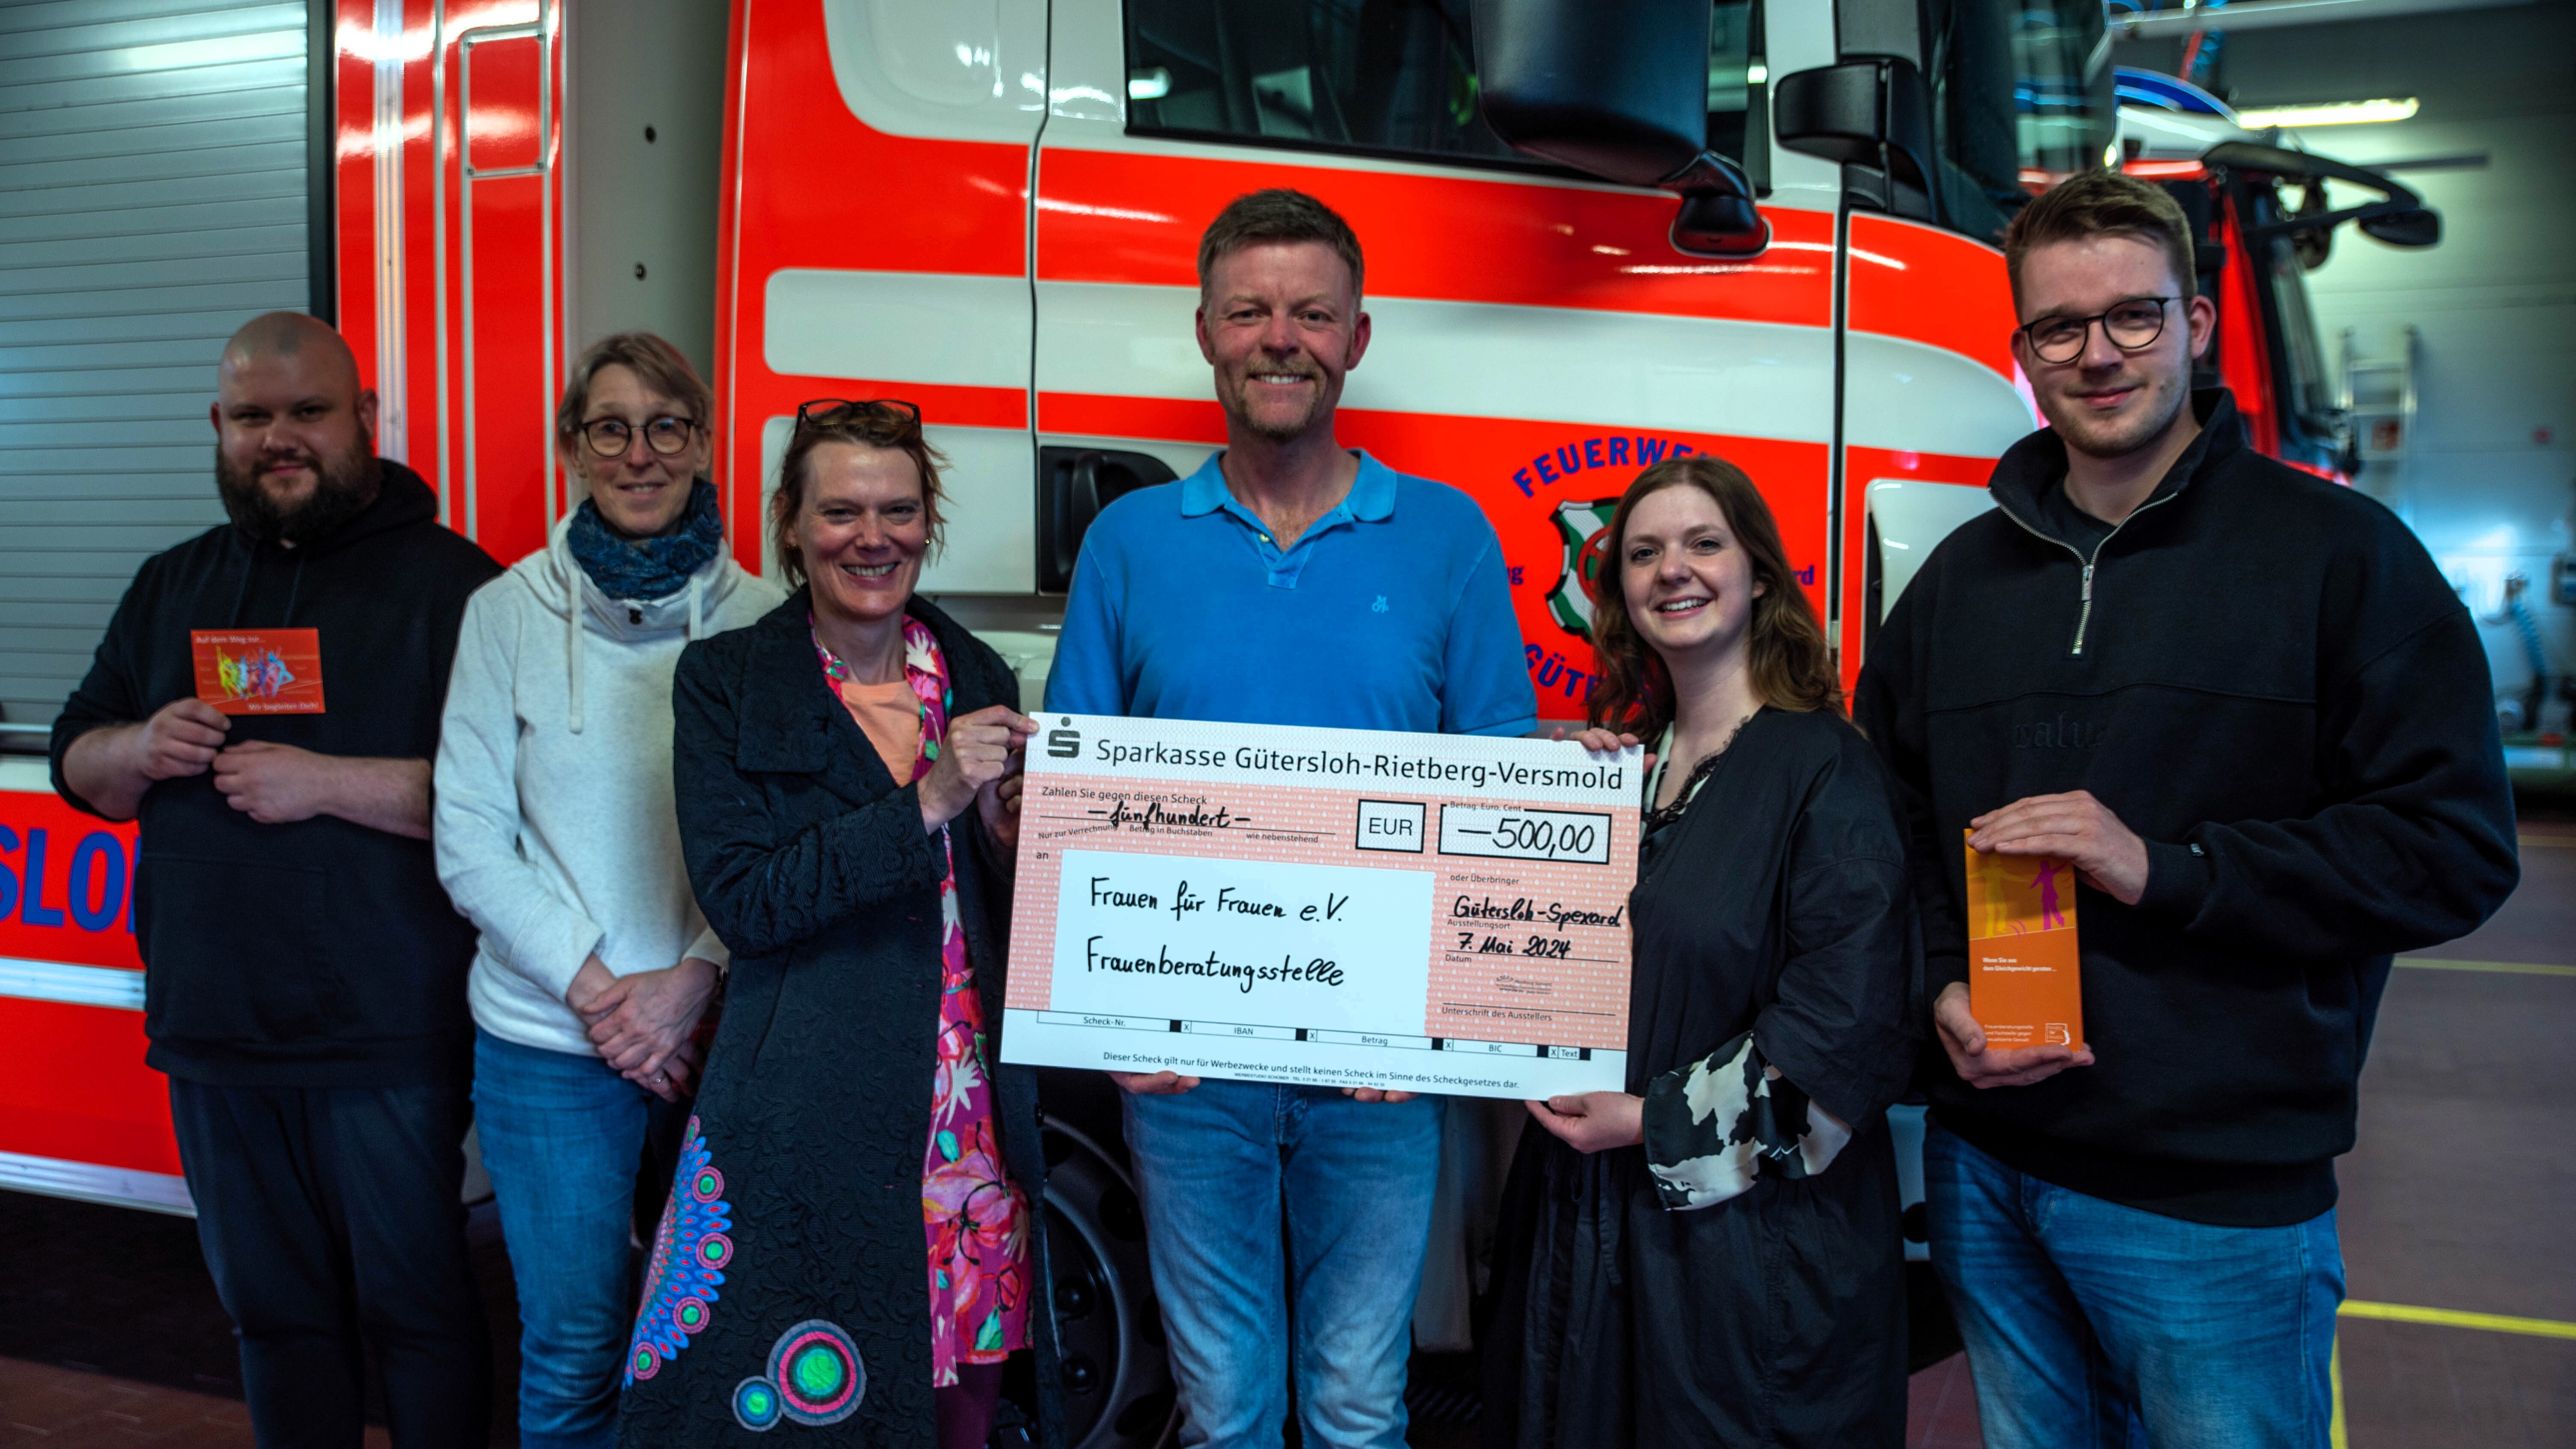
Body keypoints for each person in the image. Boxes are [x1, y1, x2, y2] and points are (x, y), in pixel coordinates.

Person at [1852, 170, 2518, 1449]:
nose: (2098, 355)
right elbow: (1897, 827)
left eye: (2133, 316)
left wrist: (2168, 868)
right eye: (2061, 327)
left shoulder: (2340, 558)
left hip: (2212, 1198)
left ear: (2196, 324)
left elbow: (2452, 848)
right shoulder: (1958, 583)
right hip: (1988, 1168)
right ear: (2023, 354)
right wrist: (1939, 990)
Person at [1045, 188, 1537, 1448]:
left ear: (1356, 339)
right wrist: (1099, 1016)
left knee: (1359, 1406)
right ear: (1205, 333)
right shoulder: (1128, 543)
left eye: (1312, 314)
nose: (1281, 339)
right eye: (1250, 312)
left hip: (1380, 1066)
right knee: (1224, 1412)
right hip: (1184, 1067)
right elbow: (1073, 809)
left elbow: (1496, 798)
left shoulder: (1446, 537)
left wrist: (1440, 1027)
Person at [50, 311, 503, 1445]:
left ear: (365, 418)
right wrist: (140, 746)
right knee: (274, 1322)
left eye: (308, 412)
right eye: (253, 416)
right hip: (213, 1028)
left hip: (389, 1037)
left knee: (419, 1316)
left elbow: (516, 801)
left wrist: (327, 784)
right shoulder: (171, 584)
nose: (279, 437)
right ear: (219, 425)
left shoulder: (459, 590)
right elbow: (80, 763)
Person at [619, 399, 1064, 1447]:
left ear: (928, 521)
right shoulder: (725, 683)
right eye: (841, 511)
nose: (874, 537)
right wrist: (928, 800)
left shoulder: (974, 673)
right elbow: (746, 903)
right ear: (789, 522)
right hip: (806, 1111)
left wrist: (1006, 840)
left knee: (963, 1407)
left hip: (965, 1116)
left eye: (898, 510)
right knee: (806, 1402)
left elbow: (990, 907)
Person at [1481, 455, 1917, 1447]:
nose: (1671, 569)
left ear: (1759, 574)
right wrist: (1534, 820)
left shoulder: (1824, 768)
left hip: (1748, 1261)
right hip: (1582, 1229)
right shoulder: (1617, 772)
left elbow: (1846, 1036)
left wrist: (1647, 1121)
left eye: (1702, 543)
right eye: (1642, 554)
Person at [434, 333, 782, 1449]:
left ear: (704, 443)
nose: (641, 455)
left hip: (719, 1040)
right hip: (549, 1045)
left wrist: (693, 982)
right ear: (572, 449)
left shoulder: (764, 618)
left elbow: (784, 836)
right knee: (574, 1353)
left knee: (724, 1352)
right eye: (611, 429)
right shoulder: (504, 614)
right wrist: (606, 1003)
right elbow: (469, 841)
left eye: (667, 426)